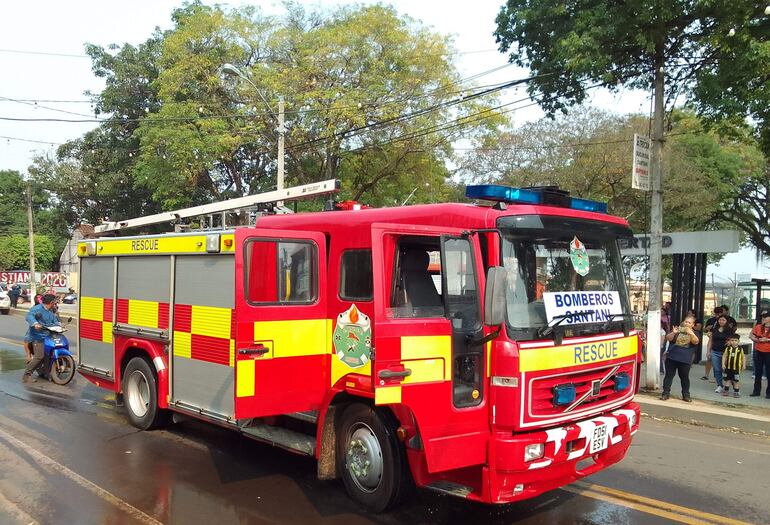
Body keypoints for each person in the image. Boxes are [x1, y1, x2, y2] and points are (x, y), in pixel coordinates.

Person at [660, 316, 700, 402]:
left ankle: (686, 395)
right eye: (686, 322)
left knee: (684, 377)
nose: (687, 323)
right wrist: (673, 333)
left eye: (689, 322)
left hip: (685, 359)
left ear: (692, 325)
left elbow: (696, 341)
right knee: (669, 376)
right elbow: (668, 338)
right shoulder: (678, 330)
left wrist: (691, 333)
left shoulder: (695, 333)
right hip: (672, 357)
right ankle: (665, 393)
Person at [22, 294, 59, 383]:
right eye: (54, 302)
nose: (55, 304)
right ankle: (27, 375)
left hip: (48, 336)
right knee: (39, 356)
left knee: (48, 355)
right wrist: (35, 323)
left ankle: (45, 373)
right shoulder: (37, 309)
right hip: (37, 337)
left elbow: (55, 321)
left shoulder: (50, 311)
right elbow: (29, 316)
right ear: (51, 302)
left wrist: (59, 325)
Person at [707, 315, 734, 394]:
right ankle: (719, 385)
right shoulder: (714, 329)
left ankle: (727, 385)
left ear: (726, 321)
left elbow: (732, 341)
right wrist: (708, 351)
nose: (721, 321)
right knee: (717, 369)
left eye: (723, 320)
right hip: (715, 351)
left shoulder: (729, 330)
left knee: (725, 369)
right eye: (720, 320)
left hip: (725, 353)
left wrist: (729, 343)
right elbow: (710, 341)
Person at [749, 312, 770, 398]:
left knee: (769, 373)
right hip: (759, 351)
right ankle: (756, 391)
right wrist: (758, 340)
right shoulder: (758, 327)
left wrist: (767, 340)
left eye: (765, 317)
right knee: (758, 372)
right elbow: (751, 336)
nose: (763, 319)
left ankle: (768, 393)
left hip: (769, 352)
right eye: (762, 317)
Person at [701, 306, 724, 381]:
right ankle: (706, 375)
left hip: (721, 342)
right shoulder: (711, 320)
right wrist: (707, 329)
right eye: (716, 314)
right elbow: (704, 330)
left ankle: (716, 377)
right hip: (712, 340)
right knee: (709, 358)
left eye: (719, 314)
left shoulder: (724, 320)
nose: (717, 316)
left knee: (719, 360)